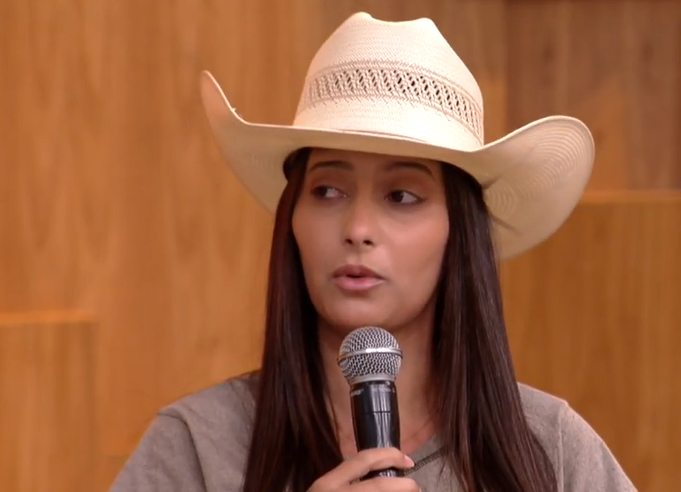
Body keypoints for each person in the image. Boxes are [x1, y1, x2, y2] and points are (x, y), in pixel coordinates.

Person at [109, 11, 636, 492]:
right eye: (328, 192)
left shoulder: (551, 449)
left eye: (402, 196)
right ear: (291, 219)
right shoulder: (197, 446)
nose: (358, 228)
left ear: (458, 232)